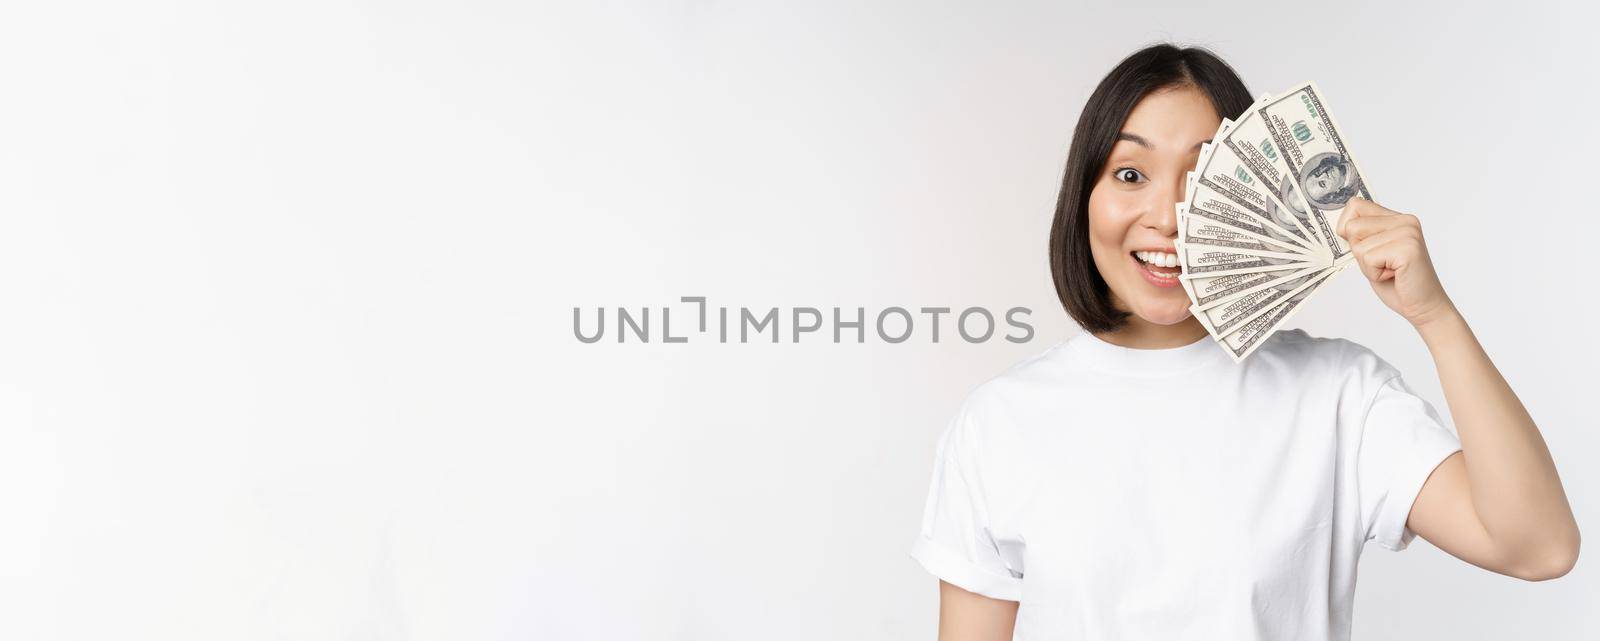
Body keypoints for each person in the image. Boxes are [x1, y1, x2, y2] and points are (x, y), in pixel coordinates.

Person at [908, 44, 1579, 641]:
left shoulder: (1339, 395)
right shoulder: (999, 422)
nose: (1167, 217)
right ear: (1083, 195)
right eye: (1131, 174)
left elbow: (1538, 546)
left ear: (1254, 194)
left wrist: (1436, 318)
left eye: (1200, 178)